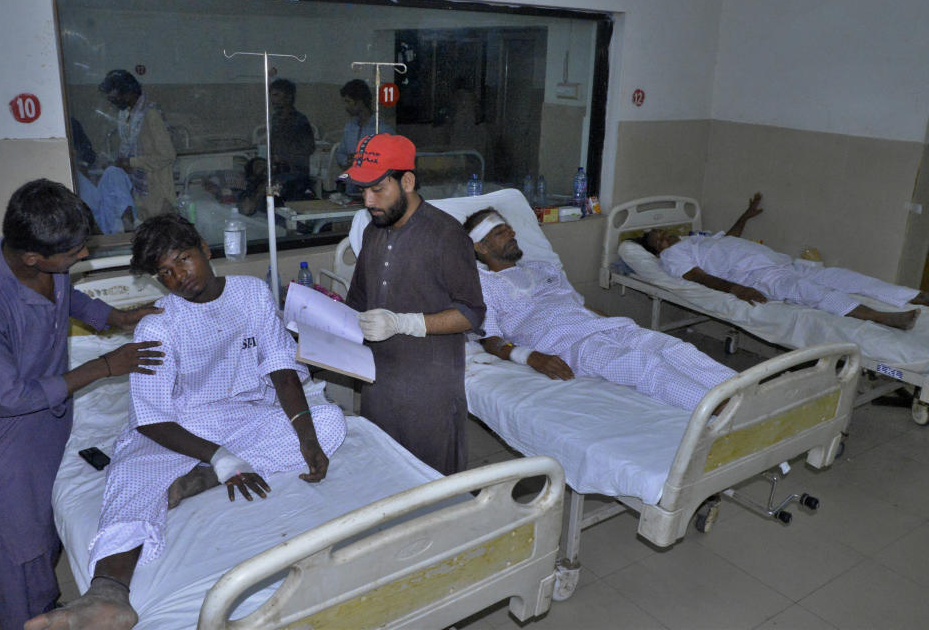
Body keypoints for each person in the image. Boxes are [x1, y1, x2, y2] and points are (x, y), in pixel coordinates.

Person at [25, 214, 347, 630]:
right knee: (132, 476)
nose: (178, 276)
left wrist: (305, 437)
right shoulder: (157, 327)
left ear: (205, 251)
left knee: (328, 422)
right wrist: (223, 458)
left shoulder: (251, 294)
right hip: (179, 427)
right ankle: (107, 595)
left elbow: (282, 369)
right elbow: (151, 419)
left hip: (246, 415)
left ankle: (203, 477)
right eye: (165, 272)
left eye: (184, 259)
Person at [0, 179, 164, 630]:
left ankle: (49, 604)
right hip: (5, 441)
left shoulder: (41, 262)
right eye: (74, 253)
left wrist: (115, 317)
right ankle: (26, 619)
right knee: (21, 554)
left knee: (46, 530)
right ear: (33, 257)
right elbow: (8, 398)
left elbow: (66, 296)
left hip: (51, 424)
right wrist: (105, 366)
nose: (82, 257)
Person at [463, 208, 736, 413]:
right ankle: (721, 411)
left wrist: (621, 326)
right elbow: (491, 340)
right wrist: (531, 357)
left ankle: (745, 392)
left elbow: (581, 306)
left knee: (675, 348)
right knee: (644, 366)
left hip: (603, 327)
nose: (511, 234)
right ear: (481, 247)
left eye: (509, 229)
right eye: (500, 233)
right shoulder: (482, 285)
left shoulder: (542, 269)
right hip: (569, 344)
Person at [344, 134, 485, 475]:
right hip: (378, 382)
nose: (368, 200)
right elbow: (358, 300)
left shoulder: (445, 235)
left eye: (378, 188)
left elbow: (472, 312)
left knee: (434, 486)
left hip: (429, 388)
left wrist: (404, 323)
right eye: (362, 190)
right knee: (385, 474)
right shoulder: (374, 229)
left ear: (407, 181)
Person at [640, 193, 927, 330]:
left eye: (662, 232)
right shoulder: (672, 257)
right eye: (658, 241)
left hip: (784, 262)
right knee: (814, 293)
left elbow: (729, 239)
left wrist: (746, 214)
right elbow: (700, 278)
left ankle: (915, 296)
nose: (664, 238)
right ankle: (883, 317)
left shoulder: (695, 240)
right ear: (657, 252)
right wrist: (738, 291)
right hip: (761, 278)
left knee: (846, 277)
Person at [99, 69, 177, 220]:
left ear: (129, 94)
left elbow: (167, 155)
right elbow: (128, 149)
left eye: (115, 99)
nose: (113, 104)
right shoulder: (128, 115)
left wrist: (130, 162)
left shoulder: (150, 115)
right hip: (139, 190)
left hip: (156, 193)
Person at [70, 117, 136, 234]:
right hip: (92, 227)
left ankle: (129, 227)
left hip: (107, 218)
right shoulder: (74, 177)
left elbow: (89, 157)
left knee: (113, 172)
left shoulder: (85, 158)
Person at [267, 78, 315, 205]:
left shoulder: (299, 120)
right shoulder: (276, 118)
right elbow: (273, 143)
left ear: (288, 97)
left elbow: (308, 148)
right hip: (279, 170)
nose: (272, 99)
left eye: (276, 95)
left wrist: (284, 157)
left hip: (296, 173)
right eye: (271, 95)